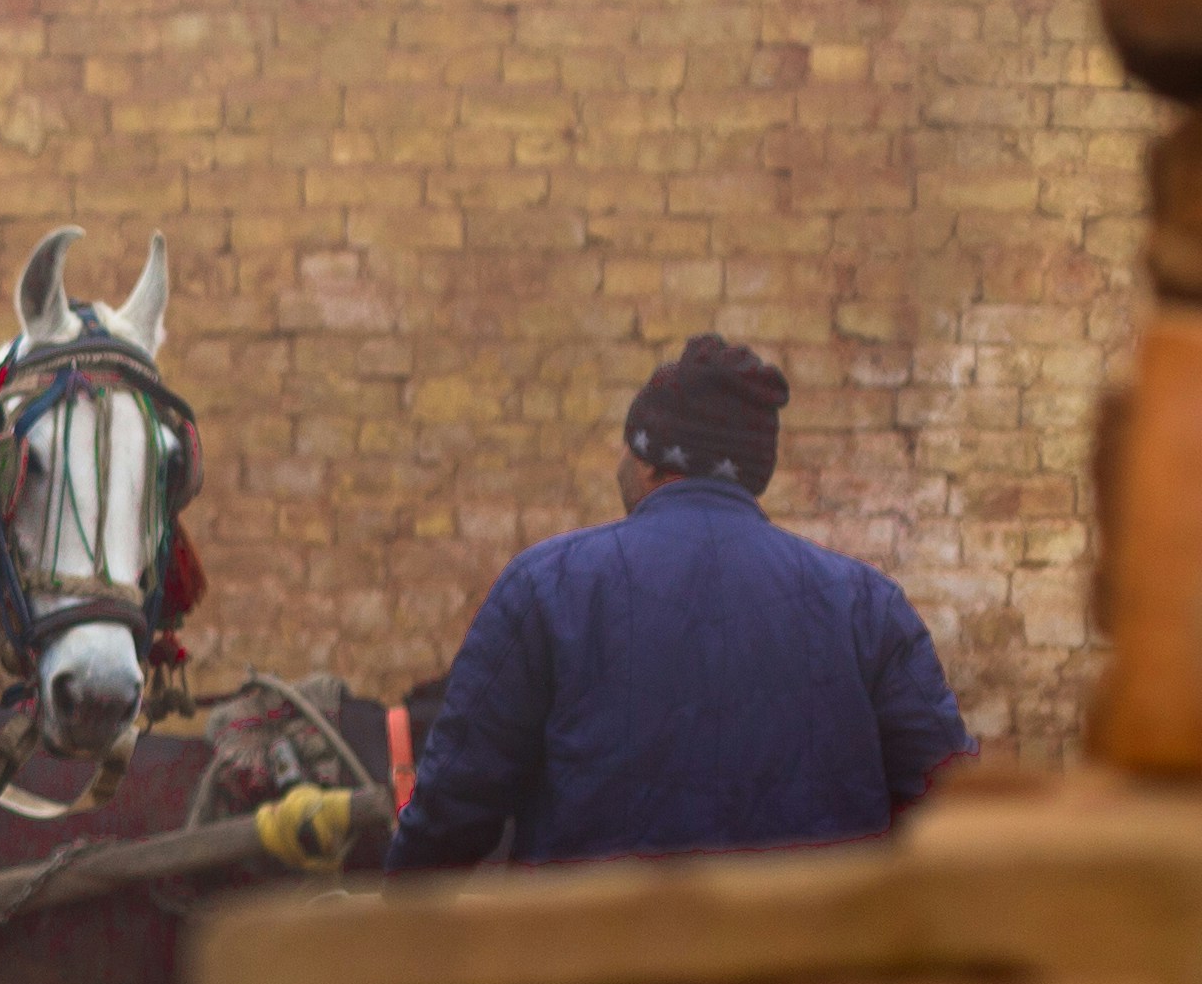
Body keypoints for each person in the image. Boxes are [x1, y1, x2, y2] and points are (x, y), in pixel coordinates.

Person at [388, 334, 976, 871]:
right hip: (813, 974)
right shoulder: (867, 608)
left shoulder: (546, 587)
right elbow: (953, 808)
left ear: (647, 457)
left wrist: (388, 946)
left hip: (599, 975)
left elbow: (452, 812)